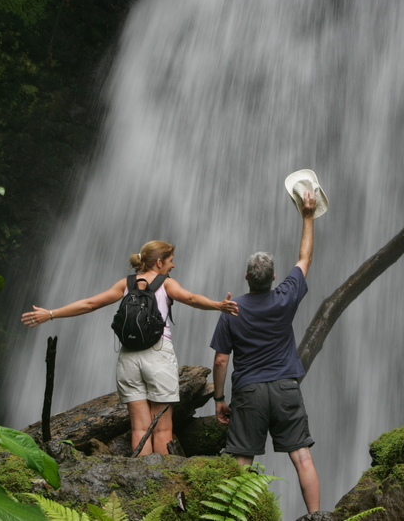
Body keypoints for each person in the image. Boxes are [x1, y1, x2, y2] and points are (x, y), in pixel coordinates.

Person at [22, 240, 238, 455]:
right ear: (160, 262)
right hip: (158, 355)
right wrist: (218, 305)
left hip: (128, 357)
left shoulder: (126, 283)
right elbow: (190, 298)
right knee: (162, 428)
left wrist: (50, 314)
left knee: (140, 428)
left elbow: (90, 304)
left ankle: (141, 481)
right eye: (171, 261)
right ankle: (161, 484)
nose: (173, 266)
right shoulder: (166, 283)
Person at [209, 191, 321, 514]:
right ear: (274, 278)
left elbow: (220, 359)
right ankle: (318, 517)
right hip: (286, 387)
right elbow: (305, 259)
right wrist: (308, 216)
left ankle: (231, 517)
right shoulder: (285, 297)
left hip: (249, 392)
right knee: (302, 456)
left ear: (246, 278)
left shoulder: (232, 309)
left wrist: (219, 398)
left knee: (242, 460)